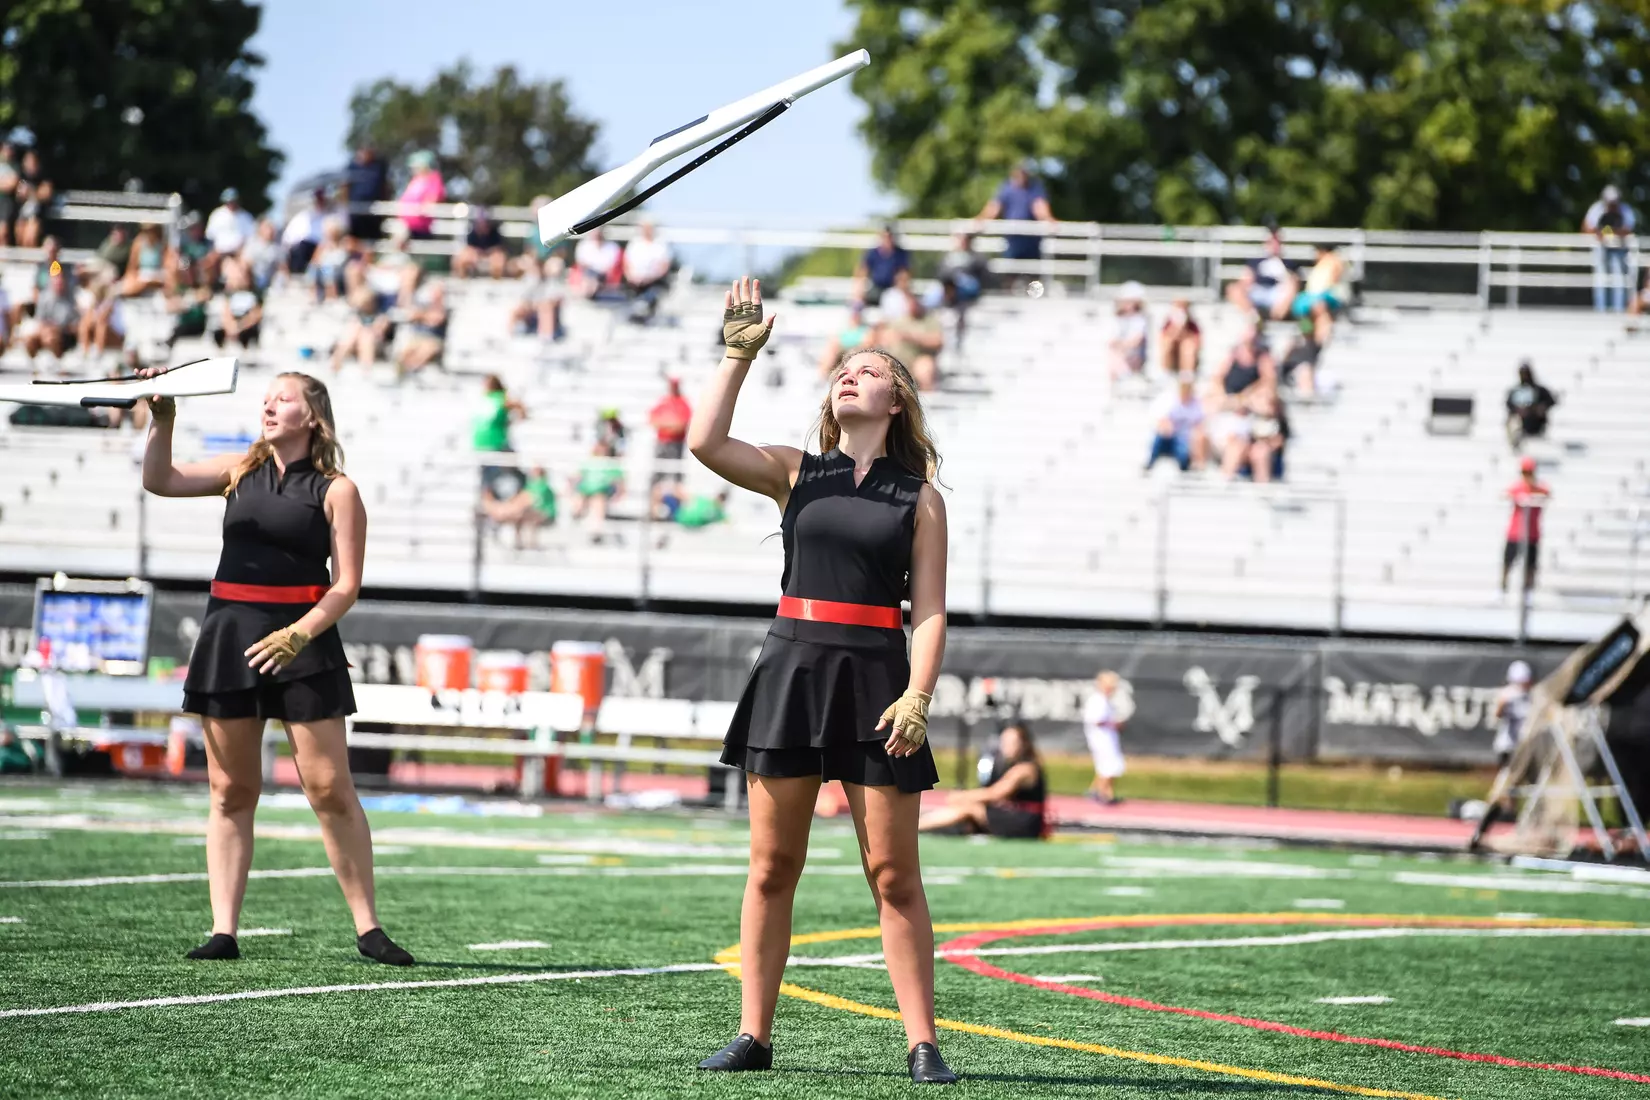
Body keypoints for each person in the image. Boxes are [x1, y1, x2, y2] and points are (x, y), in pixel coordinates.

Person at [689, 278, 957, 1084]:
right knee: (772, 867)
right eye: (842, 368)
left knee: (893, 874)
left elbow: (933, 613)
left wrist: (918, 695)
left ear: (898, 402)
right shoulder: (795, 471)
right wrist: (736, 357)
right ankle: (754, 1037)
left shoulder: (921, 498)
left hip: (879, 679)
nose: (850, 375)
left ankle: (923, 1044)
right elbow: (705, 442)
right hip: (793, 671)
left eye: (869, 370)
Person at [134, 368, 413, 966]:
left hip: (303, 643)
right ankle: (223, 931)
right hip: (229, 635)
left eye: (282, 399)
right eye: (266, 399)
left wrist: (297, 635)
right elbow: (159, 480)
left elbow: (348, 585)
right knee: (231, 790)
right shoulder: (241, 469)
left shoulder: (338, 489)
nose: (268, 407)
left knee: (329, 788)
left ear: (311, 416)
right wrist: (164, 421)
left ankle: (369, 929)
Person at [917, 722, 1047, 839]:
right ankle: (925, 825)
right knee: (968, 818)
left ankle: (916, 827)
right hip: (1013, 816)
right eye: (1004, 742)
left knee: (970, 808)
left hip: (1024, 822)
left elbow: (995, 794)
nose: (1006, 747)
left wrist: (963, 796)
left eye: (1012, 742)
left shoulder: (1025, 769)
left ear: (1024, 744)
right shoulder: (1010, 765)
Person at [976, 163, 1055, 266]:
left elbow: (1040, 207)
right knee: (1010, 269)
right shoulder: (1006, 188)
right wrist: (981, 220)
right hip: (1012, 237)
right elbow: (994, 207)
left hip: (1031, 238)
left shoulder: (1034, 188)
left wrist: (1049, 220)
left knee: (1032, 271)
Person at [1583, 185, 1636, 313]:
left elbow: (1627, 230)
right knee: (1600, 279)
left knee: (1618, 279)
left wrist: (1609, 232)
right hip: (1601, 249)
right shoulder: (1597, 209)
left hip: (1619, 250)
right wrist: (1603, 233)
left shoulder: (1625, 210)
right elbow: (1588, 228)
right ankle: (1601, 311)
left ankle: (1618, 311)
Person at [1225, 228, 1297, 320]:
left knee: (1291, 286)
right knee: (1233, 288)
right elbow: (1246, 278)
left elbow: (1292, 282)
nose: (1274, 245)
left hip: (1277, 293)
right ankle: (1254, 319)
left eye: (1277, 242)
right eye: (1271, 242)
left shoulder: (1288, 263)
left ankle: (1276, 318)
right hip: (1257, 290)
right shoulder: (1255, 261)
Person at [1502, 456, 1551, 594]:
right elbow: (1506, 494)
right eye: (1524, 473)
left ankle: (1528, 590)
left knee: (1530, 565)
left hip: (1532, 533)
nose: (1526, 476)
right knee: (1508, 561)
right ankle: (1503, 588)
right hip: (1515, 532)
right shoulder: (1518, 487)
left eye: (1529, 473)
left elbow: (1548, 495)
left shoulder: (1540, 488)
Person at [1144, 372, 1207, 473]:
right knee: (1159, 438)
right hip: (1171, 437)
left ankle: (1186, 468)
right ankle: (1150, 463)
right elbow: (1162, 422)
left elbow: (1199, 425)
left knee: (1183, 452)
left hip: (1185, 439)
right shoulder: (1170, 400)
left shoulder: (1196, 404)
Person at [482, 465, 557, 550]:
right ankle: (519, 542)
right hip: (531, 511)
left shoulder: (542, 485)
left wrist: (508, 509)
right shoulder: (531, 485)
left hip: (545, 513)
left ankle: (530, 543)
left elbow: (528, 500)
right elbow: (521, 497)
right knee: (518, 516)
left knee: (521, 514)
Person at [1082, 671, 1126, 805]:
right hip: (1101, 739)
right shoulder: (1097, 700)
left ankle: (1099, 791)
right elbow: (1096, 720)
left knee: (1107, 767)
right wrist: (1114, 724)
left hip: (1107, 738)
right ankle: (1102, 793)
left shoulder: (1105, 700)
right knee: (1110, 766)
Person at [1291, 243, 1348, 343]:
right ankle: (1310, 336)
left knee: (1319, 308)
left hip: (1325, 295)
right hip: (1311, 297)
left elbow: (1334, 281)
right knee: (1305, 312)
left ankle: (1321, 340)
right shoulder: (1320, 265)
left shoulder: (1334, 261)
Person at [571, 440, 625, 543]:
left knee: (598, 501)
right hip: (586, 489)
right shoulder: (589, 461)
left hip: (601, 489)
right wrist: (570, 487)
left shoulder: (611, 463)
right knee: (579, 498)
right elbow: (578, 475)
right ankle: (577, 514)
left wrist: (619, 493)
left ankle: (596, 531)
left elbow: (619, 480)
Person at [396, 282, 449, 378]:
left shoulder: (444, 308)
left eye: (438, 293)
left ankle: (412, 371)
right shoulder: (424, 305)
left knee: (425, 350)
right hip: (418, 338)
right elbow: (411, 315)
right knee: (405, 352)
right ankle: (401, 374)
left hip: (434, 340)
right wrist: (424, 316)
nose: (435, 296)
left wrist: (422, 316)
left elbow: (436, 319)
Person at [851, 224, 911, 307]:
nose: (887, 239)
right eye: (884, 236)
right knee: (858, 300)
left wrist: (902, 289)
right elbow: (862, 271)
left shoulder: (900, 254)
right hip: (876, 287)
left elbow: (904, 274)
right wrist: (859, 290)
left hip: (893, 289)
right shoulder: (872, 253)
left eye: (889, 236)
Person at [622, 219, 674, 313]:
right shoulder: (635, 244)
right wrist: (632, 278)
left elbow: (664, 266)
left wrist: (649, 278)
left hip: (655, 281)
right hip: (634, 282)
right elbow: (626, 264)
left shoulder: (660, 245)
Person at [1505, 361, 1558, 451]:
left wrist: (1540, 407)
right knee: (1512, 422)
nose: (1524, 376)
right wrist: (1519, 410)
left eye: (1526, 373)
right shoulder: (1515, 390)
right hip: (1520, 422)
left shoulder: (1539, 390)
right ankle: (1515, 442)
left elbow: (1551, 401)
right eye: (1522, 373)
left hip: (1536, 422)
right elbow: (1509, 405)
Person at [512, 256, 567, 341]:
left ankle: (546, 337)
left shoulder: (554, 282)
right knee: (516, 310)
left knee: (545, 307)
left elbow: (557, 300)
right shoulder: (531, 280)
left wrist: (538, 304)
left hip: (549, 313)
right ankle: (511, 335)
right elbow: (524, 298)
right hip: (533, 311)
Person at [1492, 660, 1534, 769]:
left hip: (1523, 744)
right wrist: (1503, 704)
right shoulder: (1508, 694)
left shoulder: (1530, 696)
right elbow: (1497, 714)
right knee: (1507, 774)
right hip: (1508, 745)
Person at [213, 260, 263, 350]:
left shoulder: (255, 295)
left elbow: (255, 315)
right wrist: (231, 327)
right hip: (233, 325)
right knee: (218, 333)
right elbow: (226, 313)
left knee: (247, 335)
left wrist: (240, 326)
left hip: (246, 327)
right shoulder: (230, 295)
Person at [1107, 281, 1150, 381]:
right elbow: (1112, 341)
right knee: (1114, 357)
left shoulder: (1140, 319)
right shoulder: (1117, 319)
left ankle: (1126, 377)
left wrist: (1124, 346)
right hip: (1121, 353)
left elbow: (1137, 340)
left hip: (1134, 355)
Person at [397, 151, 445, 239]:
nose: (414, 169)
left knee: (400, 234)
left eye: (417, 167)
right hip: (407, 223)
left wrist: (418, 209)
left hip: (420, 226)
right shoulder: (415, 180)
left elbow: (432, 200)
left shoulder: (433, 179)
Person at [346, 147, 389, 241]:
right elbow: (346, 187)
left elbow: (385, 187)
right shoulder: (352, 167)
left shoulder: (379, 167)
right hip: (356, 211)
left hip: (374, 210)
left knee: (374, 238)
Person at [453, 207, 508, 279]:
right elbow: (469, 248)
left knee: (498, 260)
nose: (482, 225)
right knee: (461, 259)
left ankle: (496, 282)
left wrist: (486, 253)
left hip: (490, 255)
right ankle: (462, 280)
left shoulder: (494, 233)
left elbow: (498, 248)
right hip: (476, 255)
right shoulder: (472, 233)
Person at [206, 188, 257, 265]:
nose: (231, 204)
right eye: (229, 202)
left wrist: (241, 250)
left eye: (233, 201)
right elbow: (210, 236)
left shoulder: (246, 217)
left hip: (239, 254)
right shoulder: (217, 215)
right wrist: (213, 251)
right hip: (219, 253)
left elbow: (251, 238)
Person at [572, 227, 621, 297]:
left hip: (604, 274)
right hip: (588, 273)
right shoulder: (583, 245)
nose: (597, 237)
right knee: (590, 277)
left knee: (593, 280)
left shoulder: (613, 247)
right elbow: (581, 264)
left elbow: (612, 266)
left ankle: (590, 294)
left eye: (598, 235)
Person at [122, 224, 169, 297]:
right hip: (141, 276)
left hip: (158, 276)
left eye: (151, 230)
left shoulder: (163, 245)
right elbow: (131, 268)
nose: (148, 233)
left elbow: (167, 269)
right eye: (146, 231)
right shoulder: (138, 242)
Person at [1159, 298, 1201, 376]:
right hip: (1173, 359)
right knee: (1167, 343)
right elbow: (1162, 342)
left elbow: (1198, 344)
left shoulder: (1193, 327)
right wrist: (1176, 330)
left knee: (1188, 347)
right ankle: (1167, 373)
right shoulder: (1167, 325)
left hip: (1186, 360)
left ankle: (1186, 376)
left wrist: (1183, 332)